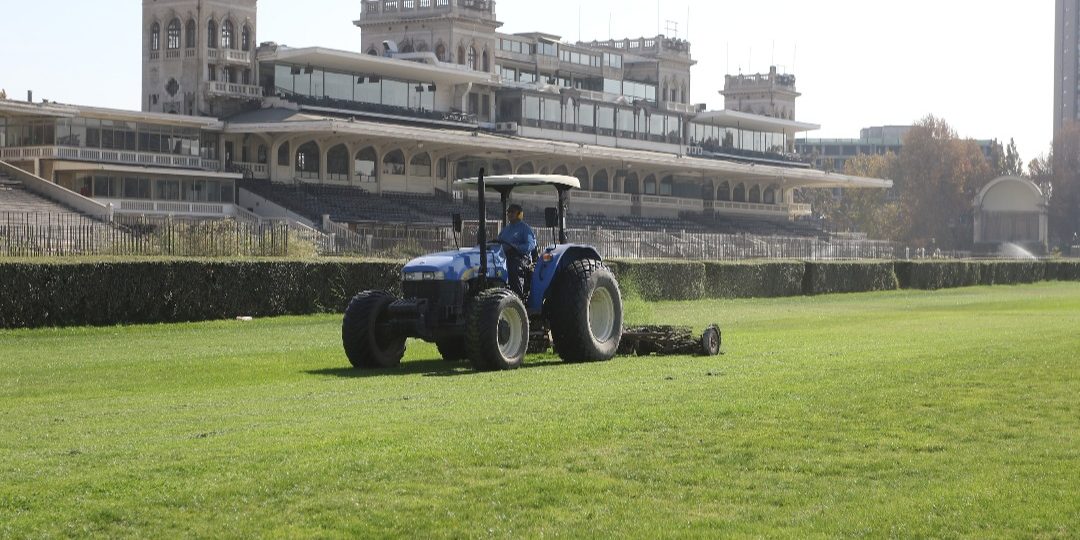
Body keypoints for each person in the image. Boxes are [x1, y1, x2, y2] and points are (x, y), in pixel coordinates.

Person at [497, 203, 536, 298]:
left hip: (521, 257)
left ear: (520, 214)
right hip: (505, 257)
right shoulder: (505, 229)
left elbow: (531, 245)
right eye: (508, 212)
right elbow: (498, 242)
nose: (509, 214)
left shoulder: (525, 228)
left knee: (513, 268)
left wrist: (516, 247)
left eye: (512, 212)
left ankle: (518, 297)